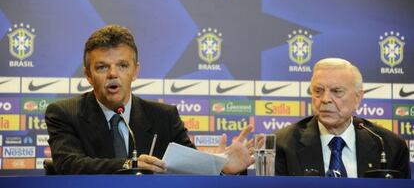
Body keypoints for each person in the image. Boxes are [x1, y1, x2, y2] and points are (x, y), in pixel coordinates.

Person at [45, 24, 254, 174]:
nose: (112, 74)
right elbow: (69, 164)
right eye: (102, 67)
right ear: (88, 75)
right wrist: (130, 164)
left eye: (123, 65)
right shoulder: (64, 114)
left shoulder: (164, 117)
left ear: (135, 71)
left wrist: (218, 166)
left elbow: (189, 170)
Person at [275, 58, 411, 178]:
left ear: (357, 98)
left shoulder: (389, 145)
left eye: (336, 91)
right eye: (318, 91)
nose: (325, 99)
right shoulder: (284, 144)